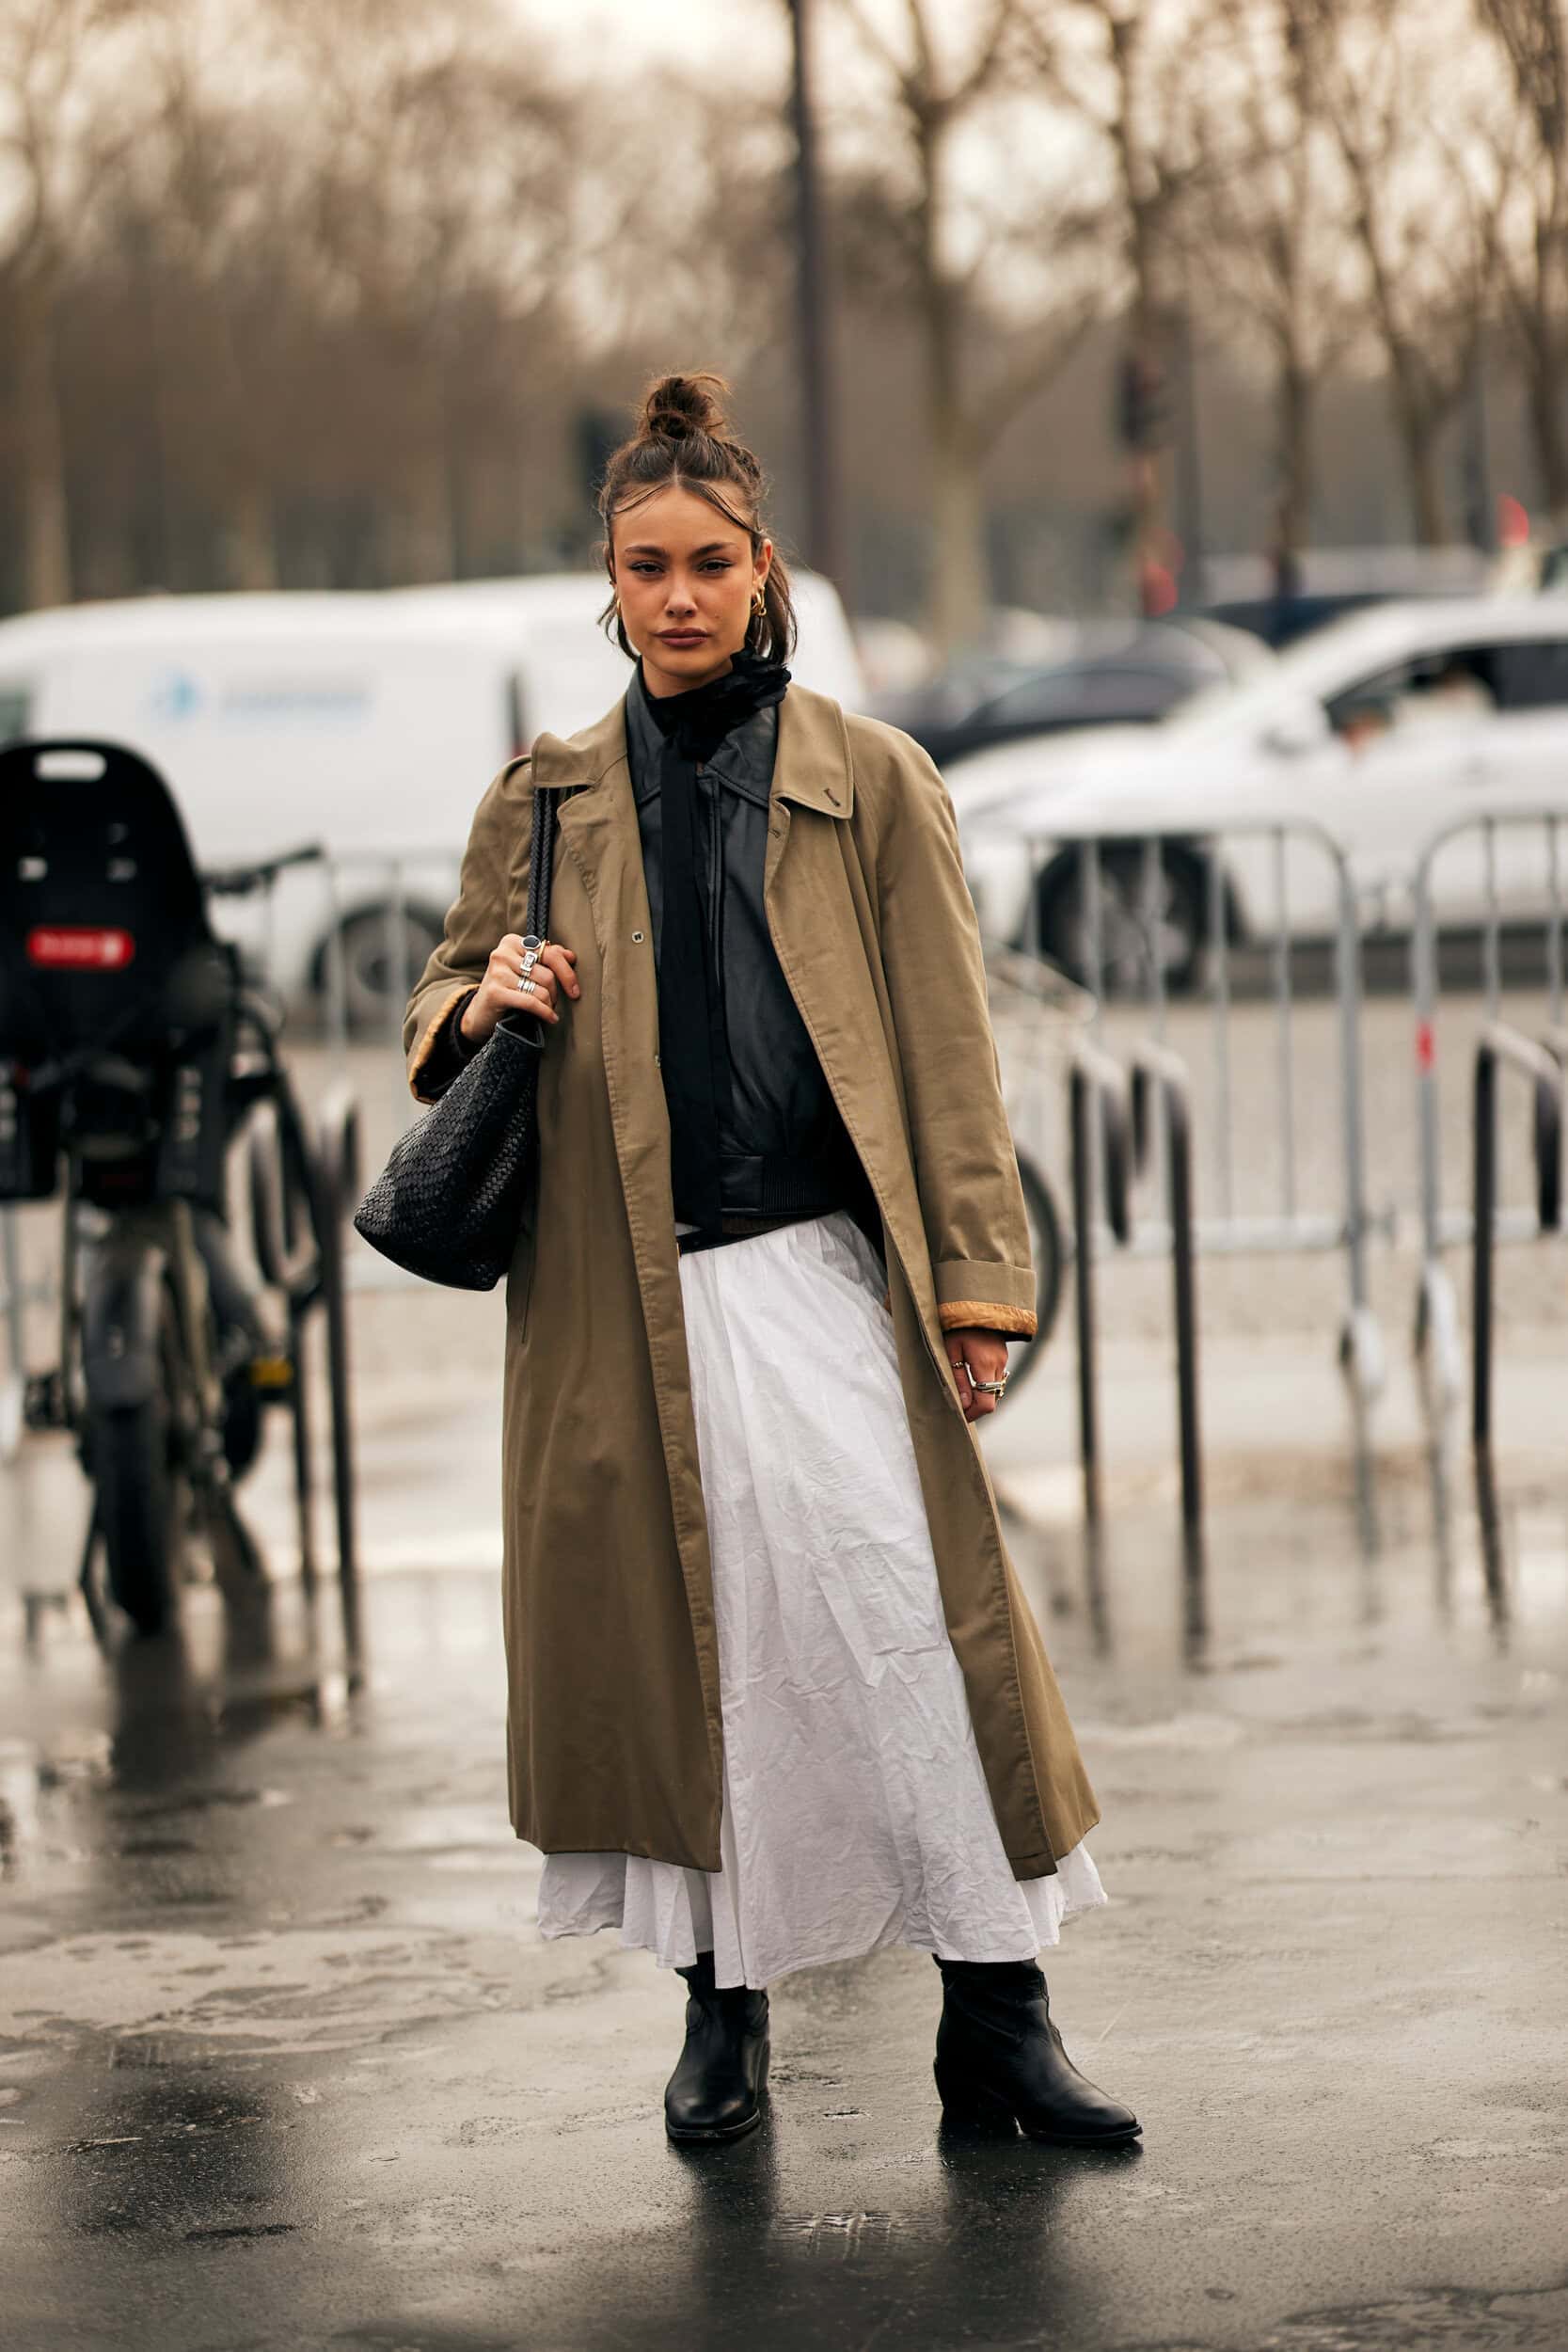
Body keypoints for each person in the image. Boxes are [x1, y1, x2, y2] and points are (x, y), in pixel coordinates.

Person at [402, 373, 1138, 2153]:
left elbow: (954, 1050)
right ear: (609, 582)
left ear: (763, 568)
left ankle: (999, 2019)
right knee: (695, 1663)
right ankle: (719, 2024)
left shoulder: (875, 783)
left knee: (909, 1631)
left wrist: (976, 1283)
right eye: (643, 566)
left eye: (707, 563)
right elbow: (432, 1000)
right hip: (621, 1306)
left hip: (825, 1284)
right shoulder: (549, 798)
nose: (675, 596)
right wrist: (483, 994)